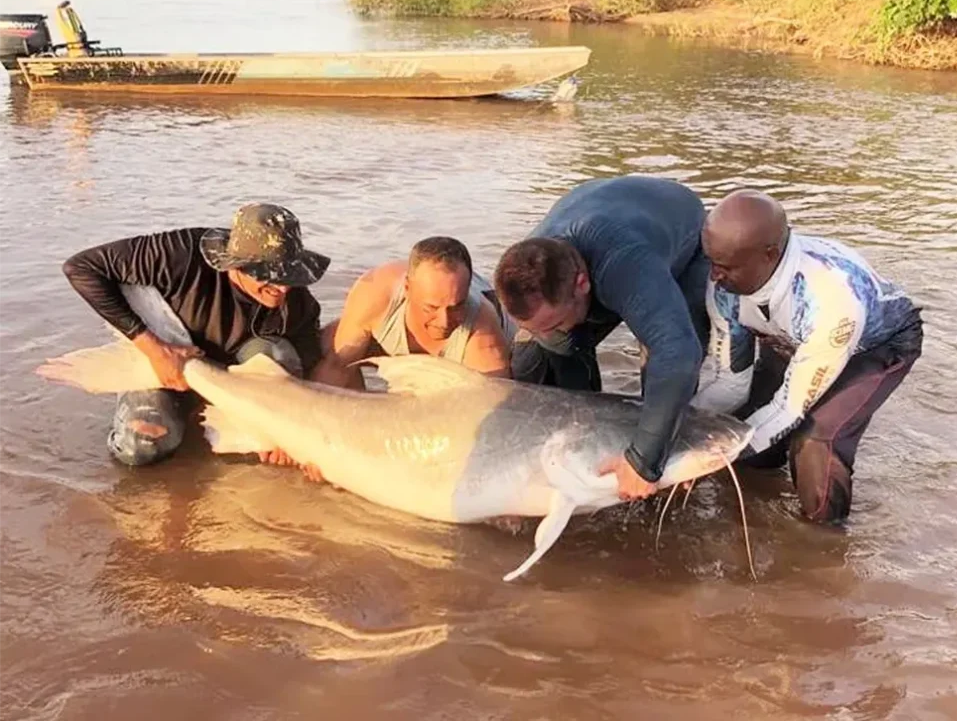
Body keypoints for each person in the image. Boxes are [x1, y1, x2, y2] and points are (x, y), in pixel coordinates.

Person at [691, 189, 924, 523]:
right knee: (751, 442)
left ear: (769, 255)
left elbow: (790, 408)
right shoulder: (724, 285)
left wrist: (703, 462)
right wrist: (679, 432)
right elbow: (730, 383)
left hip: (878, 346)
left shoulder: (830, 298)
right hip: (791, 339)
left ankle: (824, 543)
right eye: (711, 262)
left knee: (815, 439)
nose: (713, 276)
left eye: (725, 266)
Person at [62, 202, 330, 469]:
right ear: (235, 265)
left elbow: (305, 378)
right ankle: (166, 408)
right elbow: (81, 268)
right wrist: (154, 349)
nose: (283, 287)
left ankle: (213, 415)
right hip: (165, 364)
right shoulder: (181, 255)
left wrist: (288, 436)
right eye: (269, 276)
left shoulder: (300, 306)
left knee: (279, 355)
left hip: (234, 386)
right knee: (138, 447)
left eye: (290, 274)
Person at [493, 175, 711, 501]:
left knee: (666, 360)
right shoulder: (527, 265)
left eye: (552, 322)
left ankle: (663, 458)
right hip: (598, 207)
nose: (547, 332)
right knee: (534, 357)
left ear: (582, 284)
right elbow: (544, 333)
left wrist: (645, 460)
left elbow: (678, 353)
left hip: (680, 233)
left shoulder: (623, 264)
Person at [313, 236, 514, 390]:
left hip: (463, 363)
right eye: (431, 307)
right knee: (332, 345)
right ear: (407, 288)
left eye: (456, 307)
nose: (444, 322)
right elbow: (335, 368)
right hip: (391, 334)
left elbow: (490, 413)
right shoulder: (375, 294)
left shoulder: (484, 335)